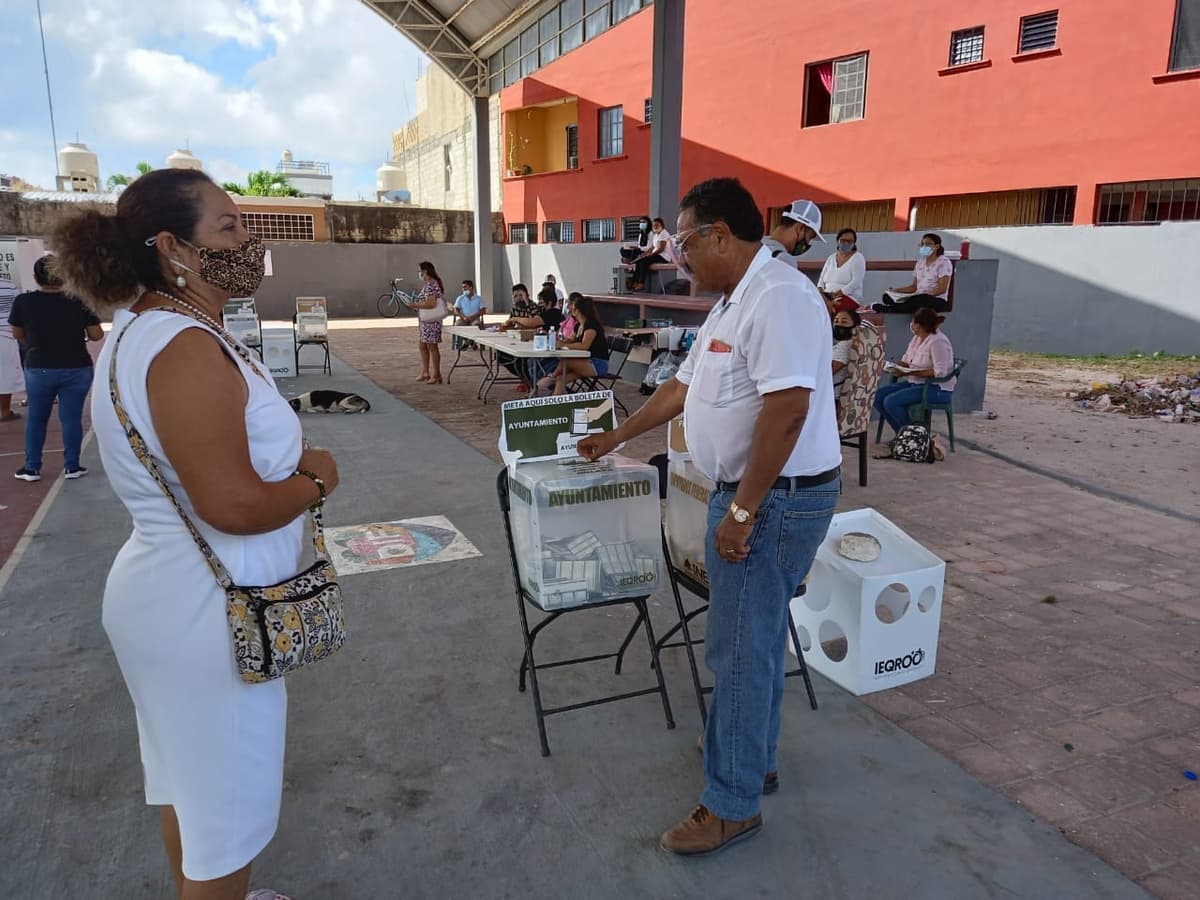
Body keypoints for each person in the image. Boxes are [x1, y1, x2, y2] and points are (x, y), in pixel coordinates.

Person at [50, 167, 338, 900]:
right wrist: (318, 480)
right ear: (174, 247)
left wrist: (285, 460)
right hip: (208, 615)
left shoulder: (152, 329)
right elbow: (232, 505)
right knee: (226, 814)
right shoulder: (182, 346)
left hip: (177, 601)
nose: (250, 241)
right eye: (230, 227)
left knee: (189, 789)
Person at [578, 177, 840, 857]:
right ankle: (752, 753)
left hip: (774, 499)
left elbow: (787, 412)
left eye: (686, 243)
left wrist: (745, 510)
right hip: (753, 494)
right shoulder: (733, 302)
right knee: (745, 642)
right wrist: (617, 436)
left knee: (741, 651)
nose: (679, 257)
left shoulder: (778, 298)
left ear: (720, 234)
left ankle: (731, 804)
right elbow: (679, 387)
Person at [9, 255, 104, 482]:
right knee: (71, 419)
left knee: (36, 418)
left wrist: (34, 345)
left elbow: (18, 334)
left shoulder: (24, 301)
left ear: (35, 277)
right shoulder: (79, 300)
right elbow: (97, 334)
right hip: (77, 367)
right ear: (65, 276)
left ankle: (32, 468)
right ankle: (72, 466)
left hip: (39, 366)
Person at [873, 306, 956, 438]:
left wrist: (908, 373)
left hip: (936, 389)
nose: (912, 325)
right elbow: (906, 360)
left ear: (919, 325)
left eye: (913, 322)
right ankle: (902, 435)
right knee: (878, 397)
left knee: (891, 402)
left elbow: (939, 372)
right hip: (915, 383)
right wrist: (893, 367)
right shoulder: (917, 339)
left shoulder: (938, 341)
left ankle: (914, 437)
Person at [546, 293, 611, 395]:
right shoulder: (578, 326)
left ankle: (550, 378)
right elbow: (570, 340)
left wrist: (563, 346)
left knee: (565, 361)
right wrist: (560, 342)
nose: (570, 310)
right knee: (561, 379)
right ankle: (557, 405)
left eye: (573, 308)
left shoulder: (591, 326)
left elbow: (584, 346)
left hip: (598, 363)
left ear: (578, 310)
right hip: (586, 361)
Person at [873, 233, 953, 313]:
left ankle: (890, 309)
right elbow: (914, 287)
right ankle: (896, 307)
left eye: (927, 244)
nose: (924, 246)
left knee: (920, 300)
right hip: (916, 297)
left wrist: (924, 295)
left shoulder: (944, 262)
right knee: (887, 296)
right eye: (922, 244)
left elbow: (942, 289)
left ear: (937, 246)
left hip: (934, 299)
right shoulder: (920, 262)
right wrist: (896, 290)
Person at [761, 199, 824, 267]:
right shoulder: (784, 260)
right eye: (810, 237)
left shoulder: (754, 247)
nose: (808, 243)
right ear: (800, 228)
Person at [412, 260, 446, 384]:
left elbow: (430, 303)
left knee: (432, 346)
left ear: (425, 271)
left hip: (431, 322)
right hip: (426, 322)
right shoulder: (429, 284)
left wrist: (415, 304)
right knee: (422, 344)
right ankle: (425, 371)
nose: (419, 273)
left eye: (420, 271)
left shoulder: (431, 285)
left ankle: (436, 373)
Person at [817, 228, 867, 314]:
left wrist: (838, 293)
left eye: (850, 241)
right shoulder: (831, 258)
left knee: (832, 308)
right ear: (838, 241)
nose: (846, 243)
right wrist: (820, 290)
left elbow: (856, 282)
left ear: (854, 243)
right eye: (843, 240)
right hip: (827, 295)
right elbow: (821, 279)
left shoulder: (858, 258)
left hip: (849, 297)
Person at [0, 276, 23, 422]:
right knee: (5, 375)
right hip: (6, 335)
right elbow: (18, 308)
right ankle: (4, 411)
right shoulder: (8, 285)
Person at [630, 217, 672, 291]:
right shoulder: (656, 235)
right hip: (657, 254)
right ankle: (635, 281)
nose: (655, 227)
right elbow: (653, 247)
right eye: (654, 225)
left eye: (657, 225)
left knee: (644, 261)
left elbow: (661, 249)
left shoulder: (664, 234)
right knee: (640, 259)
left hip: (664, 256)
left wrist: (651, 254)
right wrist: (644, 254)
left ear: (662, 225)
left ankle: (641, 283)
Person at [831, 308, 860, 392]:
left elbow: (827, 372)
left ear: (855, 326)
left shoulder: (845, 345)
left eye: (844, 322)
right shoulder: (848, 343)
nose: (839, 325)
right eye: (836, 321)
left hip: (831, 394)